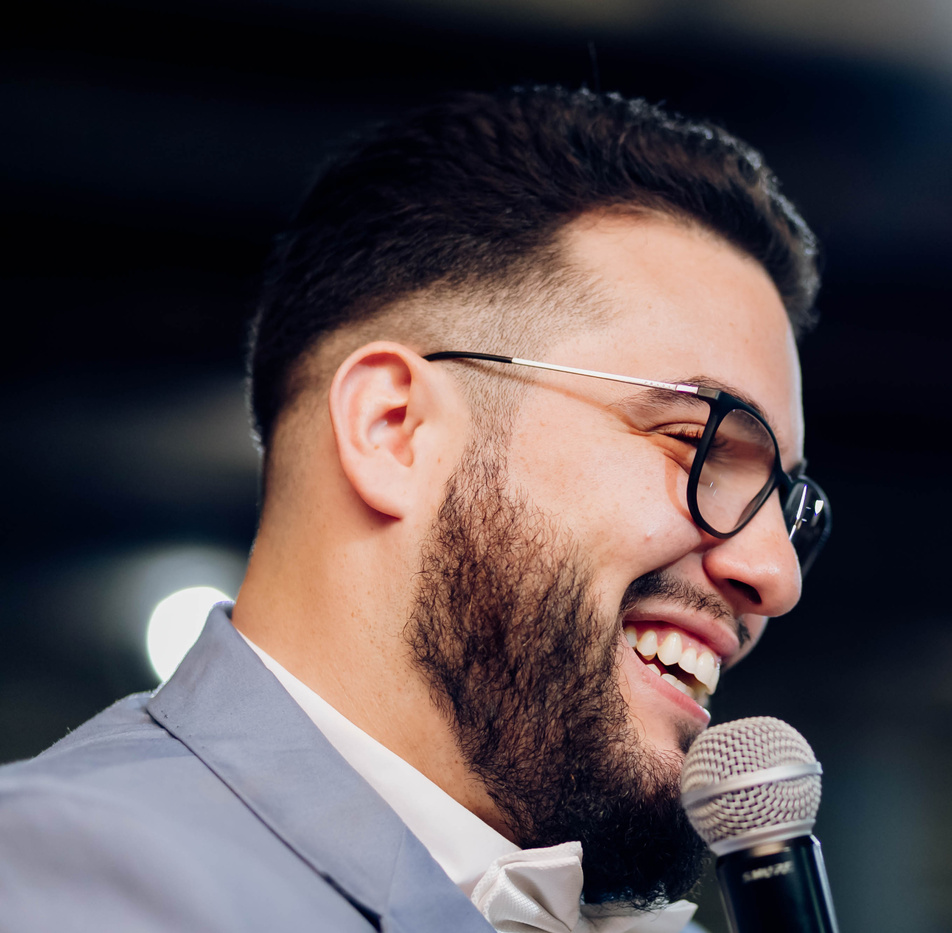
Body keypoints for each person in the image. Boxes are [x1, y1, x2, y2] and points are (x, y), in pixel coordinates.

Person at [0, 85, 830, 932]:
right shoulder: (54, 883)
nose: (776, 573)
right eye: (696, 444)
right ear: (394, 429)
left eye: (786, 502)